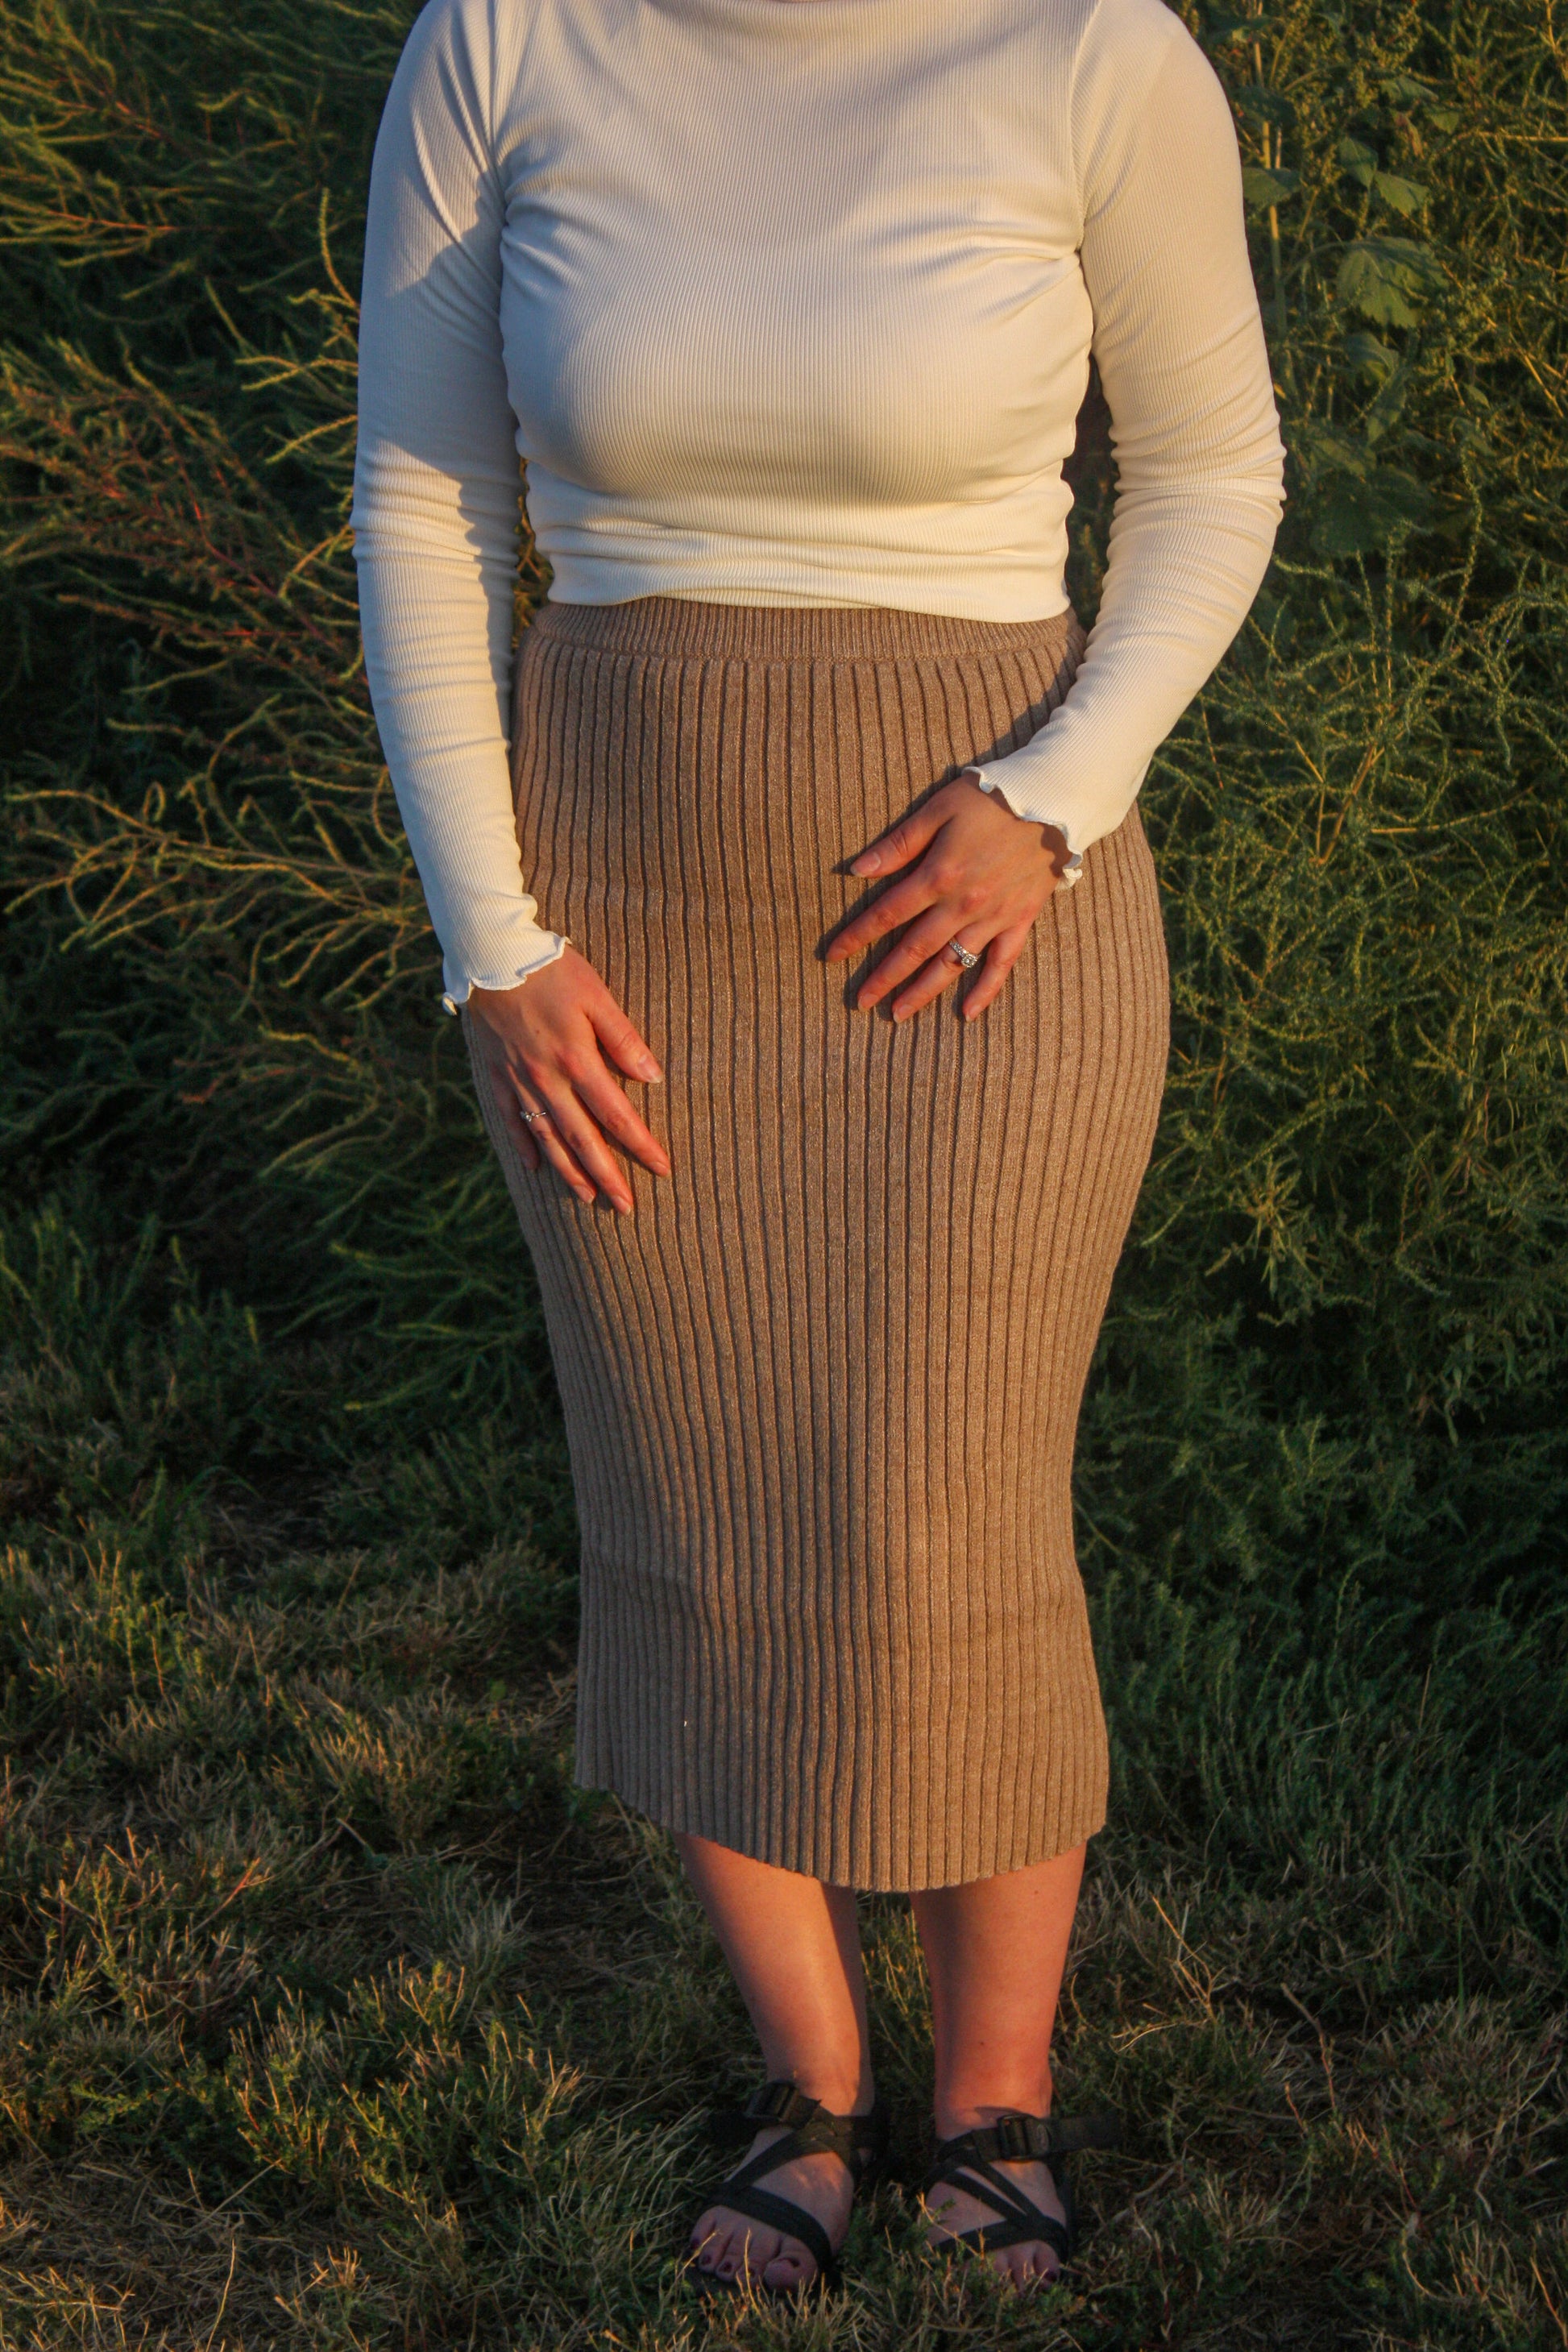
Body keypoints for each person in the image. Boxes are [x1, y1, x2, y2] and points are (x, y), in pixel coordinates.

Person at [352, 0, 1285, 2296]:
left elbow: (1211, 479)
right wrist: (493, 941)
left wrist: (1052, 803)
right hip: (612, 912)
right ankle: (813, 2087)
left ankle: (993, 2104)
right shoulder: (503, 38)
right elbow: (420, 495)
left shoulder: (1089, 51)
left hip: (987, 894)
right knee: (686, 1481)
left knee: (954, 1489)